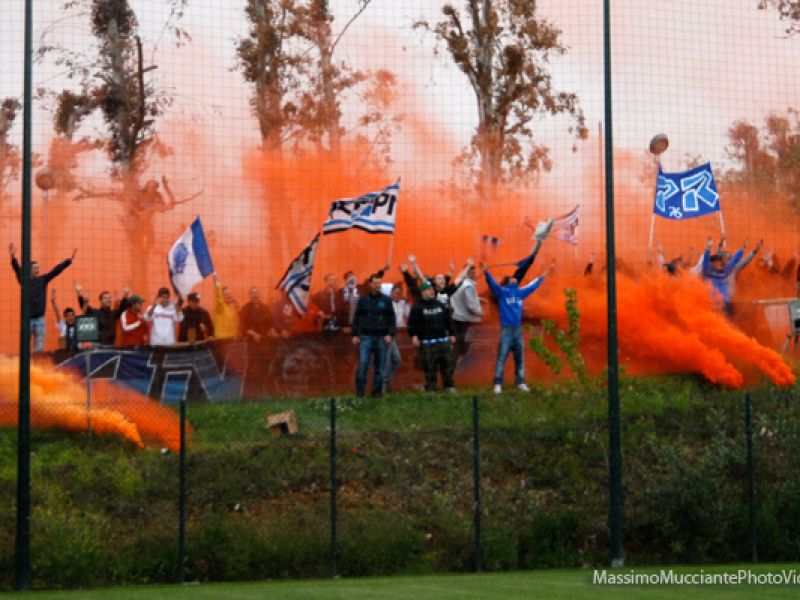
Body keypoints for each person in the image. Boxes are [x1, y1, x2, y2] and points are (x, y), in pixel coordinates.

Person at [482, 261, 551, 394]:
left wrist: (543, 275)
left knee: (520, 358)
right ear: (508, 281)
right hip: (506, 330)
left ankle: (520, 382)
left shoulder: (520, 293)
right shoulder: (502, 292)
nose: (515, 279)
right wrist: (486, 272)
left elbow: (533, 286)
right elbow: (492, 284)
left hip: (517, 330)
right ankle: (497, 384)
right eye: (512, 278)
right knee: (501, 357)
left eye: (516, 278)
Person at [9, 243, 77, 352]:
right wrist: (13, 258)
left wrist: (68, 261)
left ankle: (37, 367)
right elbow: (17, 269)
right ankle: (25, 368)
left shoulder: (43, 279)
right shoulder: (24, 280)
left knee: (39, 348)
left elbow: (55, 271)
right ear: (30, 269)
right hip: (27, 319)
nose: (38, 269)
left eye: (38, 267)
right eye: (35, 267)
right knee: (24, 347)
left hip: (40, 319)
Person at [351, 273, 396, 397]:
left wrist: (390, 334)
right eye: (375, 283)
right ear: (370, 284)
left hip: (382, 337)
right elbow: (357, 318)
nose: (378, 285)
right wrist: (354, 334)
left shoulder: (386, 300)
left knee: (380, 367)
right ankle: (360, 392)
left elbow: (391, 319)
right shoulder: (363, 300)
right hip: (366, 336)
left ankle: (377, 393)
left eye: (379, 283)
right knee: (363, 364)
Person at [408, 280, 456, 392]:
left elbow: (448, 320)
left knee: (447, 365)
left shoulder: (440, 305)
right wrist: (414, 335)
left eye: (432, 290)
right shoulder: (417, 307)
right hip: (427, 342)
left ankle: (449, 386)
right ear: (423, 292)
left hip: (443, 341)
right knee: (429, 367)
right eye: (429, 290)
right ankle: (431, 388)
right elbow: (412, 323)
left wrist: (452, 333)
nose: (431, 292)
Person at [450, 260, 484, 367]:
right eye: (470, 271)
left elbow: (462, 297)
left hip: (457, 318)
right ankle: (457, 370)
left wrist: (477, 299)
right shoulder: (468, 286)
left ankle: (453, 369)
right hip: (466, 321)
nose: (473, 274)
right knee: (463, 347)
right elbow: (471, 306)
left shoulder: (459, 282)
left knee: (458, 346)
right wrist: (481, 313)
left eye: (473, 271)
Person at [700, 237, 745, 316]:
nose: (719, 264)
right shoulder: (708, 271)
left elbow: (734, 260)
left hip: (725, 303)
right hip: (712, 303)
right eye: (716, 262)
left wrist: (743, 249)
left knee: (725, 321)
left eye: (719, 262)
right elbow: (706, 260)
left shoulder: (725, 271)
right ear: (712, 264)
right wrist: (707, 248)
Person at [383, 283, 411, 392]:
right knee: (389, 360)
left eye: (400, 293)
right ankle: (384, 384)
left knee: (397, 360)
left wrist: (408, 304)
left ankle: (387, 381)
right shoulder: (387, 304)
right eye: (395, 292)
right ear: (391, 293)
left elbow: (408, 315)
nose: (398, 295)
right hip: (390, 334)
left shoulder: (403, 303)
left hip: (401, 332)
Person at [212, 274, 240, 338]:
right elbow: (218, 298)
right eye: (226, 294)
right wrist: (217, 284)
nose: (229, 296)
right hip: (222, 340)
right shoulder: (220, 307)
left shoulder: (231, 307)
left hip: (231, 339)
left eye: (229, 294)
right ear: (222, 296)